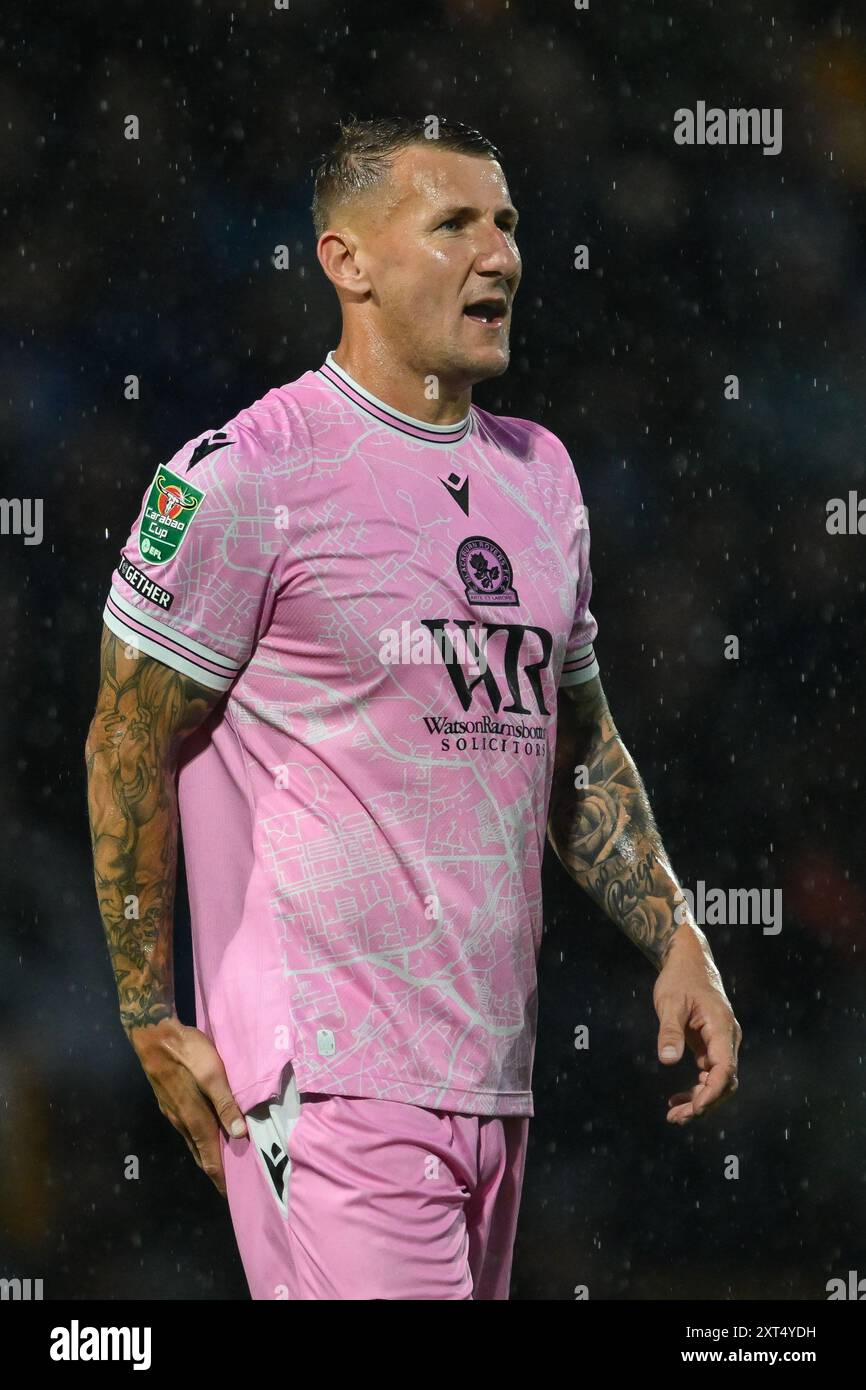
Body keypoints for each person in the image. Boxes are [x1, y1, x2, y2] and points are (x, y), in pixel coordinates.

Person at [84, 115, 742, 1301]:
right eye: (454, 225)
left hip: (492, 1082)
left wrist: (676, 934)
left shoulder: (541, 477)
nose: (500, 254)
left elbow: (577, 748)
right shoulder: (246, 477)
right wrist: (145, 1008)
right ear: (349, 262)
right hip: (327, 1080)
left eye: (507, 224)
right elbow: (127, 734)